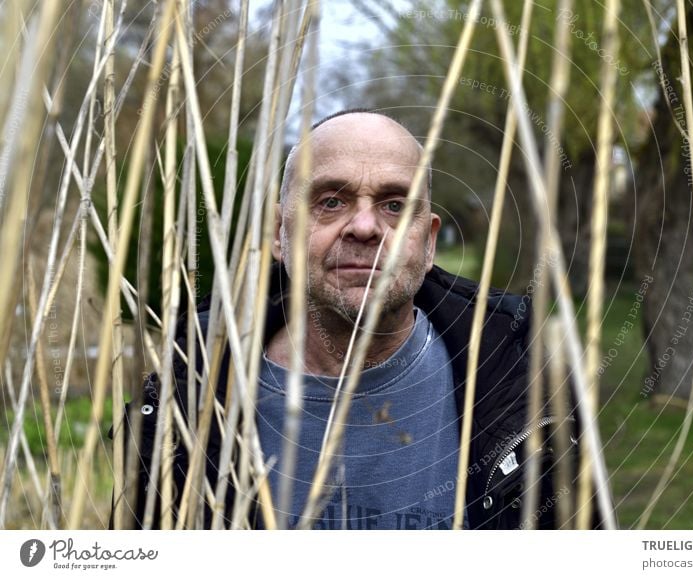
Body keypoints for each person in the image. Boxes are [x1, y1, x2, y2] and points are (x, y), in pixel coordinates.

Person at [111, 109, 603, 530]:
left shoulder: (520, 374)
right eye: (331, 201)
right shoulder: (192, 383)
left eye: (394, 205)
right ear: (279, 234)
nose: (366, 227)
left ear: (428, 242)